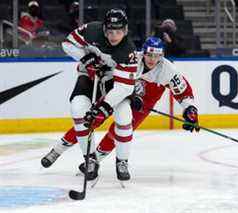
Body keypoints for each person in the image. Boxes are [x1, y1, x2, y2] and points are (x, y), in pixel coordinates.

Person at [41, 36, 199, 180]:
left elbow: (184, 93)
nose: (152, 59)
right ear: (142, 53)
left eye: (157, 56)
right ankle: (57, 150)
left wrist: (190, 110)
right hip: (121, 92)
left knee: (120, 130)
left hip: (144, 104)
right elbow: (110, 73)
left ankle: (95, 160)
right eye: (149, 55)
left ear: (162, 56)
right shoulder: (131, 59)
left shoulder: (168, 70)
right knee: (92, 120)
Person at [41, 8, 137, 181]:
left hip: (113, 81)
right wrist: (85, 58)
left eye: (118, 32)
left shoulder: (128, 51)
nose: (114, 36)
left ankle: (122, 161)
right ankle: (90, 158)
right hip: (88, 76)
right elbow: (67, 44)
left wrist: (103, 107)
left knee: (124, 115)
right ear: (104, 29)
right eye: (110, 31)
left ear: (125, 30)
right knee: (78, 109)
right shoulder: (91, 30)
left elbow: (124, 87)